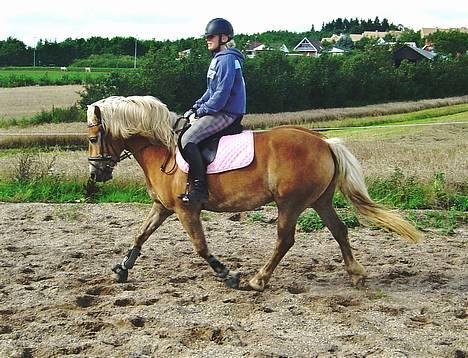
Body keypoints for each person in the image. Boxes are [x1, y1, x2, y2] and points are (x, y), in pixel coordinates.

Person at [181, 18, 246, 204]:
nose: (207, 39)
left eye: (211, 36)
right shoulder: (218, 59)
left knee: (187, 139)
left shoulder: (227, 60)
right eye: (206, 36)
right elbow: (210, 90)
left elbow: (221, 94)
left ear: (224, 37)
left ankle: (200, 190)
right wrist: (195, 106)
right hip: (220, 109)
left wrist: (202, 111)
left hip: (227, 112)